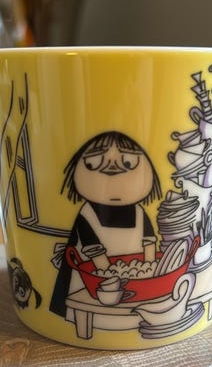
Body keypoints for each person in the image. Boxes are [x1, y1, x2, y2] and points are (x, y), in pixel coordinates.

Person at [50, 131, 162, 316]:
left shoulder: (140, 213)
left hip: (134, 277)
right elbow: (94, 251)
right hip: (89, 280)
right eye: (93, 163)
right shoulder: (87, 214)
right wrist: (109, 277)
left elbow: (149, 244)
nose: (113, 173)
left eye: (128, 163)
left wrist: (150, 271)